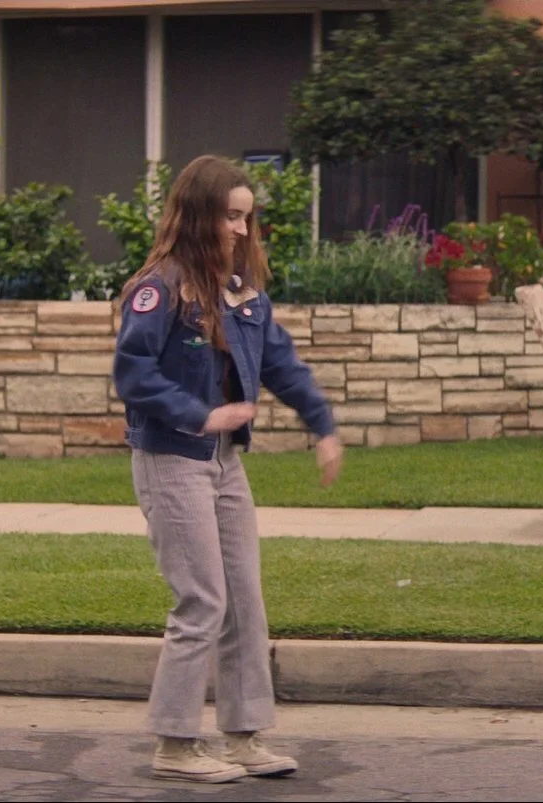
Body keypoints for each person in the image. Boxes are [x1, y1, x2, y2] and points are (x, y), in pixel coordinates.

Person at [112, 155, 345, 783]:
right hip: (172, 459)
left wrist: (322, 426)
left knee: (243, 598)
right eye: (230, 217)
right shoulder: (160, 287)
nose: (242, 230)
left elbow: (282, 365)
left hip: (224, 463)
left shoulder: (241, 293)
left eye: (246, 218)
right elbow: (133, 374)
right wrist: (200, 414)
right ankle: (175, 744)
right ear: (199, 215)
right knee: (202, 600)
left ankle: (243, 735)